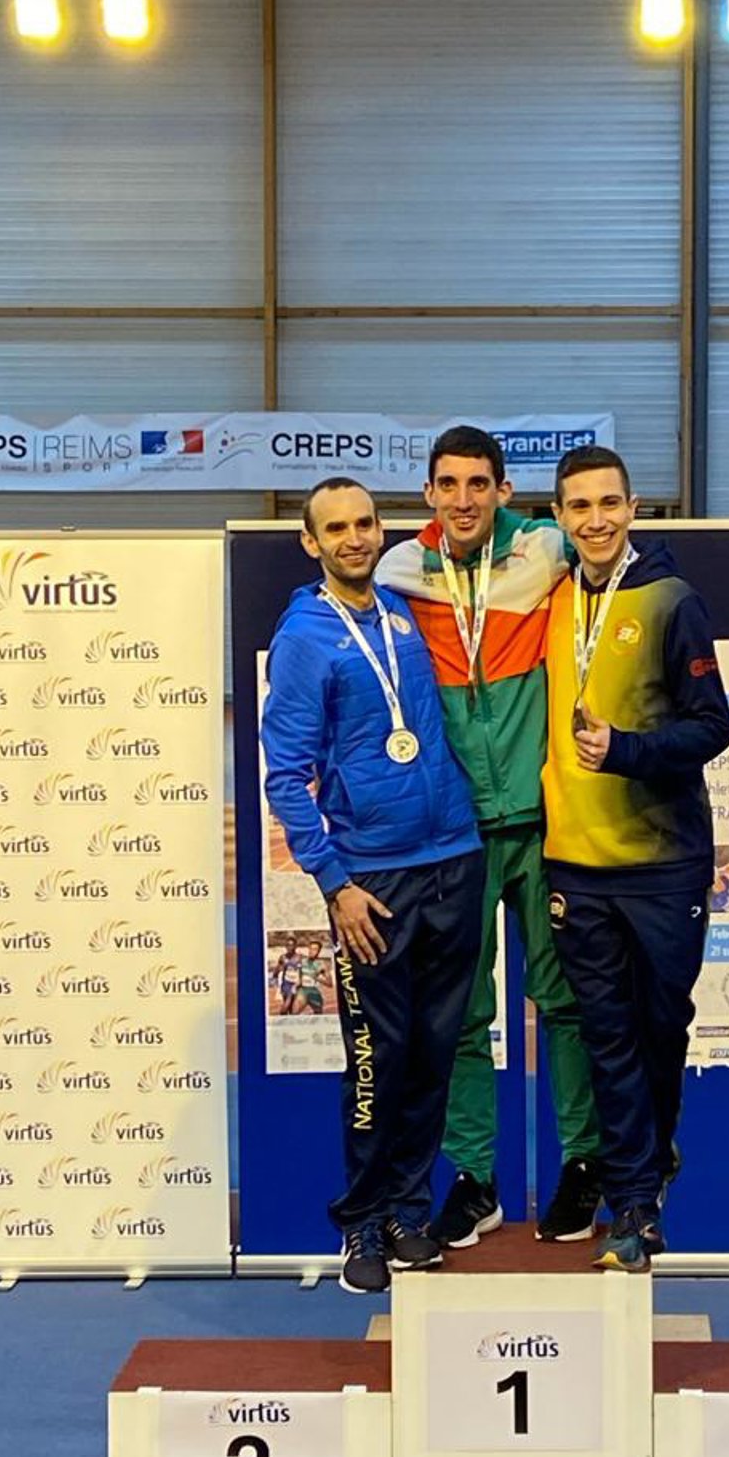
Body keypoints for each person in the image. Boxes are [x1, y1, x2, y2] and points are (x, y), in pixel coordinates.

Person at [377, 427, 606, 1249]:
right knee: (462, 1016)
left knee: (566, 1002)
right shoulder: (400, 570)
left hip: (544, 825)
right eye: (448, 484)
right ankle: (475, 1180)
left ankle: (583, 1164)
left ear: (505, 491)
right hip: (455, 838)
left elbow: (609, 556)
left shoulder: (543, 550)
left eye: (479, 484)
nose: (464, 499)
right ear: (428, 493)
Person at [261, 477, 487, 1295]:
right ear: (311, 543)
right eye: (336, 529)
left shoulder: (399, 612)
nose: (354, 538)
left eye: (364, 523)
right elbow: (285, 775)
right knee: (376, 1060)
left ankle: (406, 1211)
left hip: (453, 859)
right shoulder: (303, 638)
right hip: (374, 881)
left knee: (433, 1055)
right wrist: (336, 882)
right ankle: (360, 1220)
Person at [542, 445, 729, 1272]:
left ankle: (651, 1163)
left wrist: (625, 749)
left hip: (662, 863)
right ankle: (635, 1207)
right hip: (574, 864)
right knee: (606, 1040)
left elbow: (713, 727)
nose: (596, 520)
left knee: (658, 1032)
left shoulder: (670, 600)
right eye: (580, 507)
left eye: (609, 504)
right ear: (559, 518)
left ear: (633, 508)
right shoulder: (550, 597)